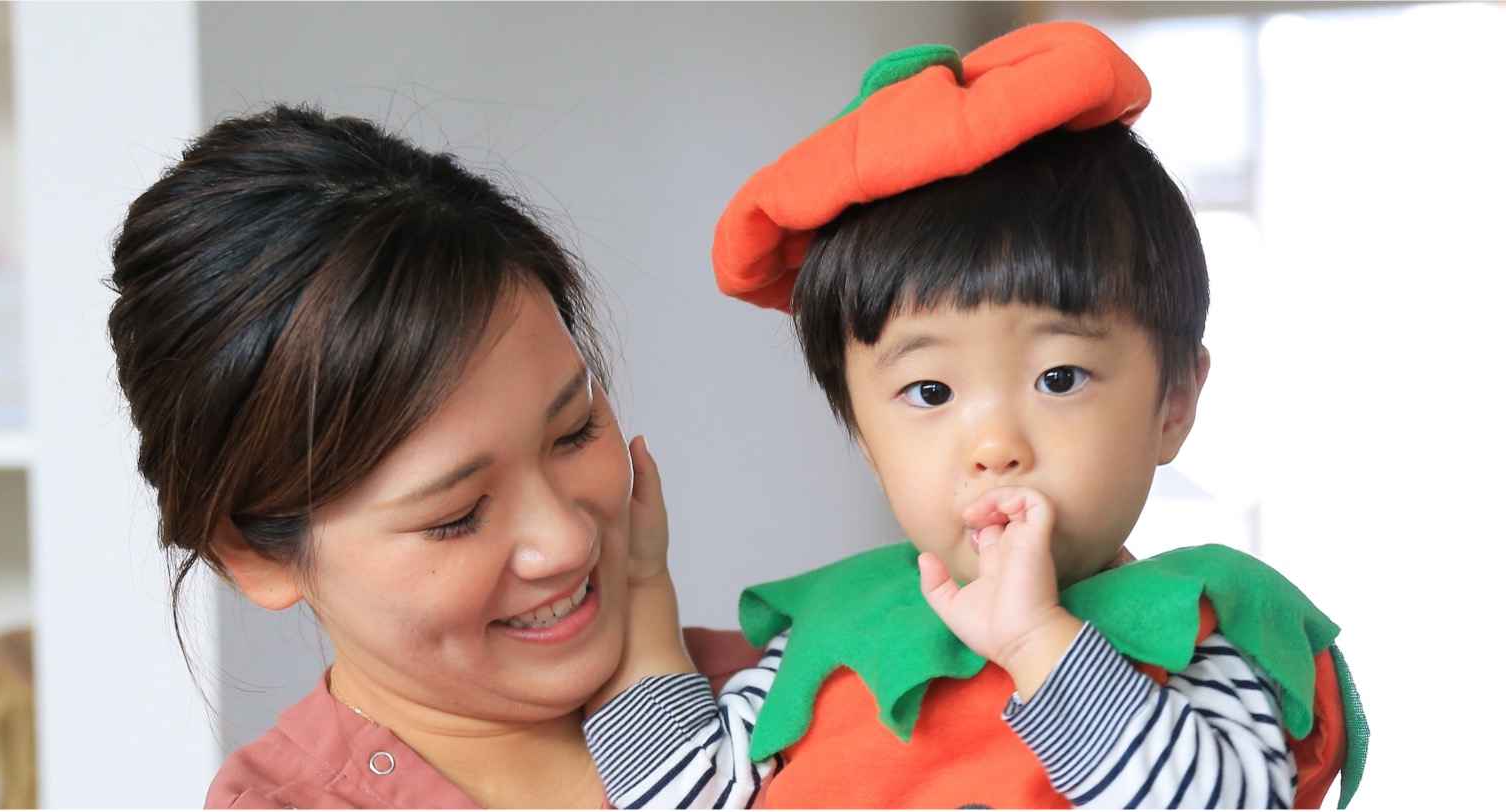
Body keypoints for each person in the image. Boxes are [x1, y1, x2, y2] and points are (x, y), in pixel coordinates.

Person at [579, 21, 1367, 809]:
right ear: (865, 439)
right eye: (929, 392)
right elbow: (679, 794)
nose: (994, 446)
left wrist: (1036, 642)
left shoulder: (1199, 628)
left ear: (1173, 404)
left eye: (1058, 378)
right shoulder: (832, 632)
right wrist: (641, 585)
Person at [105, 104, 754, 809]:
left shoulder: (796, 690)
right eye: (457, 514)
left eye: (574, 431)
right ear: (254, 553)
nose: (568, 542)